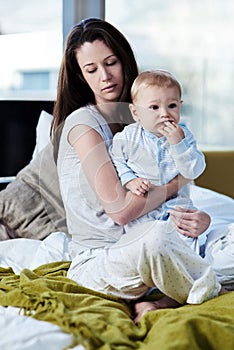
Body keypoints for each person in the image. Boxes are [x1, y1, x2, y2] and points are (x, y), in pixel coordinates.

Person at [51, 18, 227, 324]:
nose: (105, 76)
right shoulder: (83, 126)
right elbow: (120, 212)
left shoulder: (138, 117)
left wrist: (200, 218)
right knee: (158, 237)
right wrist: (179, 181)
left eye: (111, 63)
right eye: (91, 70)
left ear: (124, 60)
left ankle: (169, 296)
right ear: (81, 77)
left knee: (216, 233)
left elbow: (180, 175)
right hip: (103, 257)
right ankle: (203, 291)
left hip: (149, 240)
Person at [109, 69, 205, 253]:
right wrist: (130, 180)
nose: (165, 114)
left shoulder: (184, 136)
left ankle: (190, 274)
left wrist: (178, 144)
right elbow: (117, 161)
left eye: (172, 106)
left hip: (178, 211)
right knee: (145, 248)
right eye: (154, 107)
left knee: (186, 248)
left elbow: (194, 171)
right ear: (136, 113)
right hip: (145, 214)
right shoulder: (127, 138)